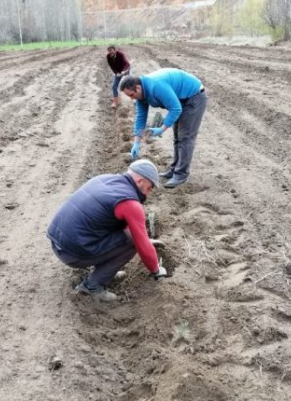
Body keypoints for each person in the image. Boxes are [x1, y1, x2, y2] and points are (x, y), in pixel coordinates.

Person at [46, 159, 167, 302]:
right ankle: (91, 286)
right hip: (73, 253)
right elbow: (141, 244)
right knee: (132, 242)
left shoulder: (103, 179)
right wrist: (156, 270)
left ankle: (105, 272)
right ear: (140, 181)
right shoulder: (130, 204)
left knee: (123, 235)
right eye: (150, 187)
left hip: (58, 242)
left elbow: (123, 226)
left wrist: (145, 240)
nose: (149, 192)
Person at [120, 68, 207, 189]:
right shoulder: (141, 95)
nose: (131, 98)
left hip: (194, 96)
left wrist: (162, 128)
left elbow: (176, 108)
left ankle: (181, 174)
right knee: (177, 136)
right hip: (181, 99)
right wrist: (136, 143)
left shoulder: (155, 86)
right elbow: (140, 118)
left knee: (185, 137)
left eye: (131, 95)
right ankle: (174, 169)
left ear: (138, 88)